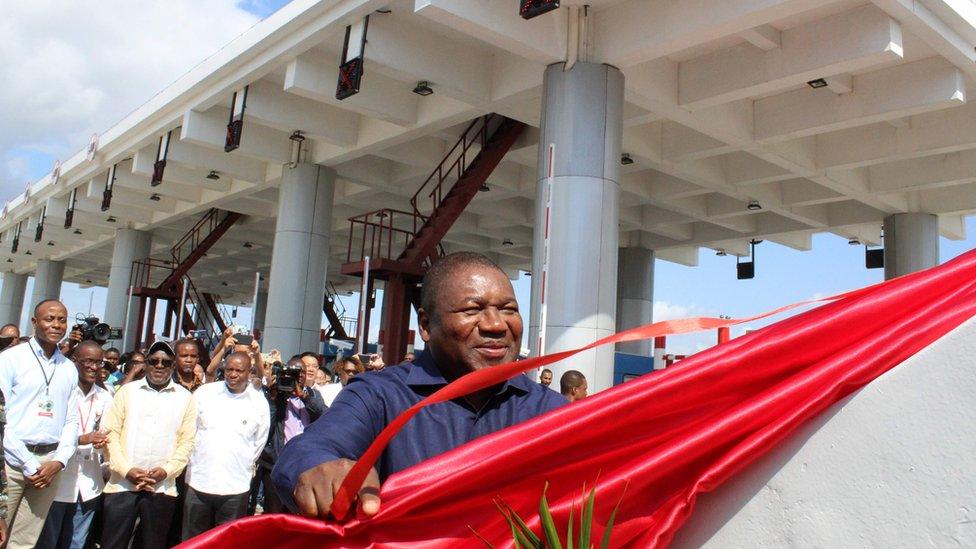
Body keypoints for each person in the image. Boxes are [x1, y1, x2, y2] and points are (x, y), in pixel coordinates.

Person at [273, 252, 566, 517]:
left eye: (508, 309)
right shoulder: (380, 396)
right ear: (426, 326)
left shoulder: (551, 411)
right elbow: (310, 449)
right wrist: (317, 471)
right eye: (472, 310)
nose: (496, 324)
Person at [101, 341, 196, 549]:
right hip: (122, 485)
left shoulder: (185, 398)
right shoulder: (127, 392)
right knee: (112, 544)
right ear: (146, 364)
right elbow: (111, 435)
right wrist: (127, 470)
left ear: (173, 366)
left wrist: (165, 471)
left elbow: (186, 443)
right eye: (154, 361)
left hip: (161, 488)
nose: (159, 366)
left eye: (165, 362)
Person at [0, 299, 79, 548]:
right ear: (35, 322)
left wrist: (59, 460)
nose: (56, 325)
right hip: (10, 464)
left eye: (62, 319)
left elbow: (71, 420)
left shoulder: (68, 368)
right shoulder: (10, 359)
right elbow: (2, 420)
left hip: (48, 468)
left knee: (24, 542)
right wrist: (28, 462)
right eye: (49, 319)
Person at [182, 352, 268, 540]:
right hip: (199, 481)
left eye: (239, 370)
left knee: (228, 541)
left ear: (249, 372)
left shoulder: (258, 402)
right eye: (229, 369)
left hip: (235, 485)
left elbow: (259, 442)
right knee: (194, 540)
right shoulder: (205, 393)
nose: (233, 374)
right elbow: (188, 431)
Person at [38, 341, 110, 549]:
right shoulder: (59, 392)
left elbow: (108, 431)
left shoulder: (105, 397)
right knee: (48, 542)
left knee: (76, 543)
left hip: (89, 484)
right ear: (74, 361)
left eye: (98, 362)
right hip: (59, 482)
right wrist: (81, 439)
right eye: (88, 361)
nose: (94, 367)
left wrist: (103, 442)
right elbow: (45, 433)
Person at [252, 357, 325, 514]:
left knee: (303, 511)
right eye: (292, 372)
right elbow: (265, 425)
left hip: (306, 463)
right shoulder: (273, 396)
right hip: (278, 464)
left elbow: (325, 415)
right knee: (274, 512)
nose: (297, 376)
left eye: (301, 372)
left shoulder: (313, 395)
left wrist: (304, 397)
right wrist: (273, 399)